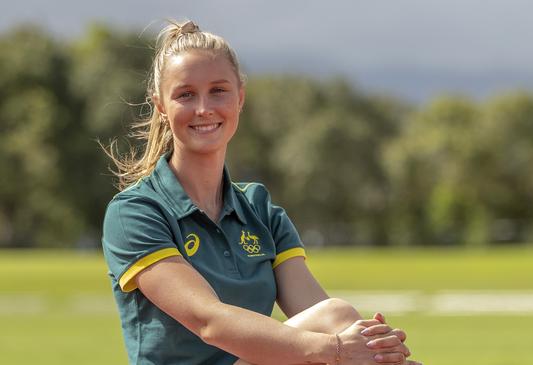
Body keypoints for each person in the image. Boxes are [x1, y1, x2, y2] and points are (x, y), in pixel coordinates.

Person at [102, 19, 420, 365]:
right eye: (186, 94)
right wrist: (341, 350)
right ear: (161, 105)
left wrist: (375, 353)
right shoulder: (135, 211)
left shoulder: (259, 208)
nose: (204, 108)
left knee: (342, 325)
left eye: (218, 90)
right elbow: (210, 322)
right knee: (337, 321)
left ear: (240, 96)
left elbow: (315, 313)